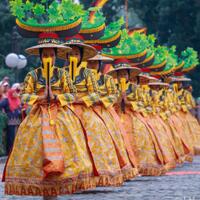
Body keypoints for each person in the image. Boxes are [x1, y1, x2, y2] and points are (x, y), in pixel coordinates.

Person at [3, 34, 99, 198]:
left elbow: (71, 94)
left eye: (52, 55)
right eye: (45, 55)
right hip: (38, 116)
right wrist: (39, 98)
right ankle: (41, 183)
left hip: (60, 114)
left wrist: (56, 97)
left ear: (55, 56)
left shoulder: (63, 75)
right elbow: (24, 96)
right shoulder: (32, 75)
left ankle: (59, 182)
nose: (49, 58)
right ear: (41, 57)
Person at [0, 85, 22, 154]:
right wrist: (4, 114)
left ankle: (16, 151)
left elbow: (20, 108)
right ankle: (10, 151)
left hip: (18, 121)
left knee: (17, 136)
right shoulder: (6, 100)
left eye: (16, 92)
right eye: (14, 92)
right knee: (11, 137)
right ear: (11, 93)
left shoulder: (18, 100)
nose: (16, 94)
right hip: (10, 121)